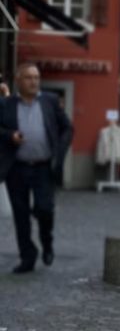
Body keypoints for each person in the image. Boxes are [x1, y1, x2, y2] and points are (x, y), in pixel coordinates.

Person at [0, 62, 73, 273]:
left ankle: (46, 242)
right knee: (20, 215)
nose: (34, 82)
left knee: (45, 209)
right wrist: (9, 135)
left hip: (43, 167)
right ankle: (27, 256)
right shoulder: (7, 104)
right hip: (17, 167)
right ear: (18, 81)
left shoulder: (49, 101)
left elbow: (67, 127)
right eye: (29, 77)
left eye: (36, 77)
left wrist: (59, 153)